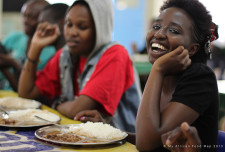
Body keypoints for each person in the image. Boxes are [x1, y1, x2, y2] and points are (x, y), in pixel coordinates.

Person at [18, 0, 141, 133]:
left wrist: (56, 105)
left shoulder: (115, 54)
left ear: (99, 29)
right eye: (69, 24)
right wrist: (35, 48)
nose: (72, 32)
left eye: (82, 27)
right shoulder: (65, 55)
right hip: (85, 137)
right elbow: (26, 93)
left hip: (125, 142)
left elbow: (76, 110)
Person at [135, 0, 219, 151]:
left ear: (192, 49)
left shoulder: (200, 77)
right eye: (156, 26)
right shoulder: (161, 75)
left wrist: (157, 69)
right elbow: (149, 137)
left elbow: (146, 144)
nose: (159, 34)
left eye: (173, 30)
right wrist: (108, 132)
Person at [0, 0, 55, 91]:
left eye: (31, 17)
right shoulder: (13, 38)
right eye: (24, 16)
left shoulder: (50, 53)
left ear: (45, 20)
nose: (25, 21)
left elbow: (27, 88)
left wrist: (13, 63)